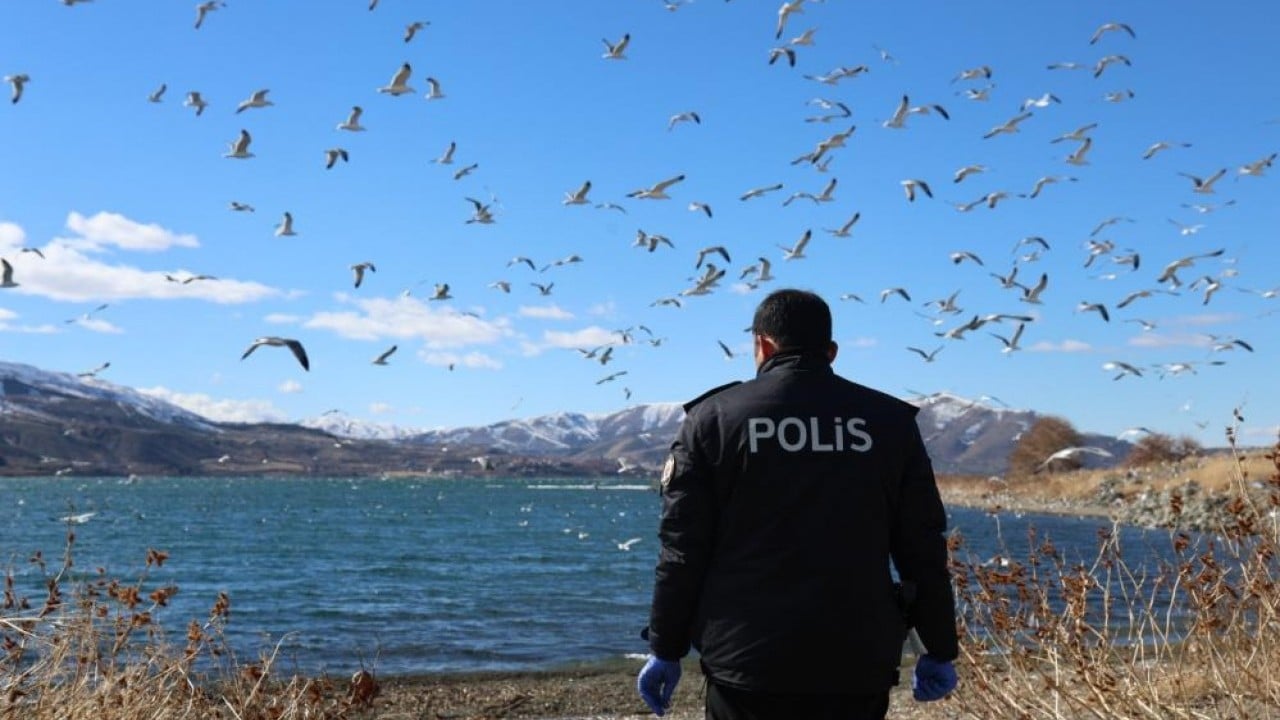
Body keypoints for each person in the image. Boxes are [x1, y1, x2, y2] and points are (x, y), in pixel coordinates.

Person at [636, 288, 958, 719]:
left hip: (746, 660)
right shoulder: (889, 423)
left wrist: (666, 647)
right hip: (856, 658)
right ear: (831, 351)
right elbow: (922, 547)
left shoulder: (712, 420)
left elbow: (682, 549)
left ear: (762, 345)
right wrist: (937, 646)